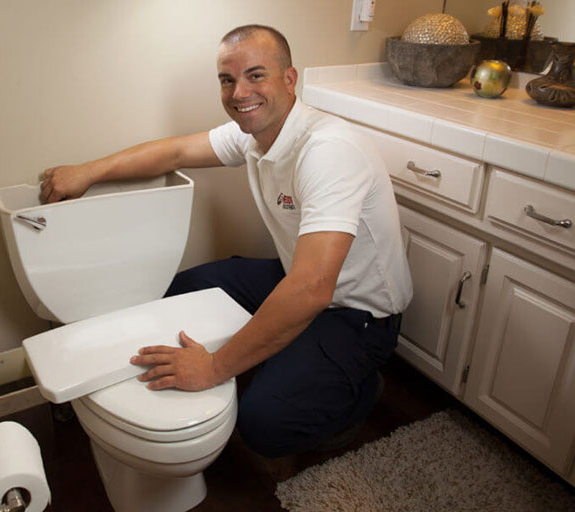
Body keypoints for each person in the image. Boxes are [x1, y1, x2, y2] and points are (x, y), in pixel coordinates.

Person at [40, 25, 412, 458]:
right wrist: (88, 171)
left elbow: (313, 289)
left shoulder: (329, 151)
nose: (239, 93)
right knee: (180, 291)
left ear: (289, 80)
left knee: (264, 425)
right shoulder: (254, 133)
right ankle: (287, 357)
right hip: (298, 279)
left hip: (359, 315)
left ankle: (361, 389)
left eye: (256, 75)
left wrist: (214, 368)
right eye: (227, 79)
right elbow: (176, 153)